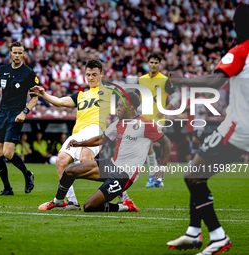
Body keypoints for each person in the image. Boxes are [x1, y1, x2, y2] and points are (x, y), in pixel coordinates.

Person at [166, 5, 249, 254]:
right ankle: (193, 232)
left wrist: (182, 81)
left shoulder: (240, 51)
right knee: (197, 172)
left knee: (192, 175)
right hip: (239, 128)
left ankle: (218, 235)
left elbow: (215, 81)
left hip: (238, 130)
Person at [38, 92, 171, 212]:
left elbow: (167, 143)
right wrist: (80, 144)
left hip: (124, 175)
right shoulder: (119, 123)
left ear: (130, 107)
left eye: (120, 106)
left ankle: (125, 206)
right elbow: (102, 139)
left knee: (89, 207)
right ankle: (58, 201)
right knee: (69, 172)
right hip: (111, 165)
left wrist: (162, 168)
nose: (117, 109)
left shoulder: (146, 125)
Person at [30, 60, 114, 210]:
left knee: (85, 160)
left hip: (96, 129)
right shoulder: (81, 95)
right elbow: (60, 102)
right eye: (88, 75)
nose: (91, 78)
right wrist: (44, 94)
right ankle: (72, 202)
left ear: (102, 74)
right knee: (61, 161)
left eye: (95, 75)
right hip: (78, 132)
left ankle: (118, 183)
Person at [0, 41, 38, 195]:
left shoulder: (29, 73)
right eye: (15, 52)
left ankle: (27, 174)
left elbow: (35, 98)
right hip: (1, 113)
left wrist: (24, 112)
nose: (17, 55)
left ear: (24, 54)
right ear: (10, 53)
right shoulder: (1, 70)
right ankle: (7, 188)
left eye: (20, 53)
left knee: (8, 153)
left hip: (16, 115)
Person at [137, 52, 179, 188]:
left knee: (148, 146)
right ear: (147, 63)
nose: (153, 65)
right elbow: (137, 98)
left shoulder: (164, 80)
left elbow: (176, 97)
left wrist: (165, 109)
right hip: (144, 118)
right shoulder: (141, 80)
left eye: (156, 62)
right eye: (151, 62)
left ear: (159, 65)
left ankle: (154, 177)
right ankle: (156, 178)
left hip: (158, 119)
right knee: (147, 147)